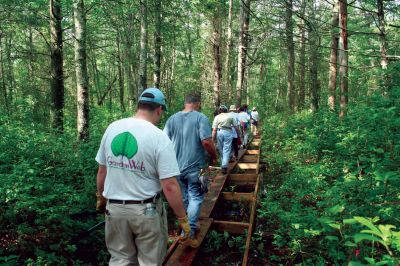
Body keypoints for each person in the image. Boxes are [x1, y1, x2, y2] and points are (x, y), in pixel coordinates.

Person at [95, 88, 190, 266]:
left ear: (139, 106)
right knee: (150, 262)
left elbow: (102, 171)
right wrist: (182, 218)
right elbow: (169, 185)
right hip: (146, 211)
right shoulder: (159, 137)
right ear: (159, 109)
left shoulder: (112, 128)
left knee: (120, 260)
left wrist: (101, 197)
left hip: (114, 210)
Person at [164, 91, 218, 248]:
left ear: (185, 102)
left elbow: (163, 142)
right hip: (197, 167)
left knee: (185, 197)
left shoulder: (171, 119)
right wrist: (214, 157)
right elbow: (207, 142)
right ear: (198, 103)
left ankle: (188, 226)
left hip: (175, 168)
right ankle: (191, 231)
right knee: (196, 197)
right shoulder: (201, 118)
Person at [212, 105, 239, 174]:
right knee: (227, 149)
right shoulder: (230, 116)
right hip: (228, 132)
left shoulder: (217, 117)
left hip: (219, 132)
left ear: (220, 110)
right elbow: (236, 127)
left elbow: (214, 129)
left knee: (220, 148)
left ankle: (223, 165)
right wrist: (238, 134)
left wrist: (213, 138)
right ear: (226, 110)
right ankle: (224, 166)